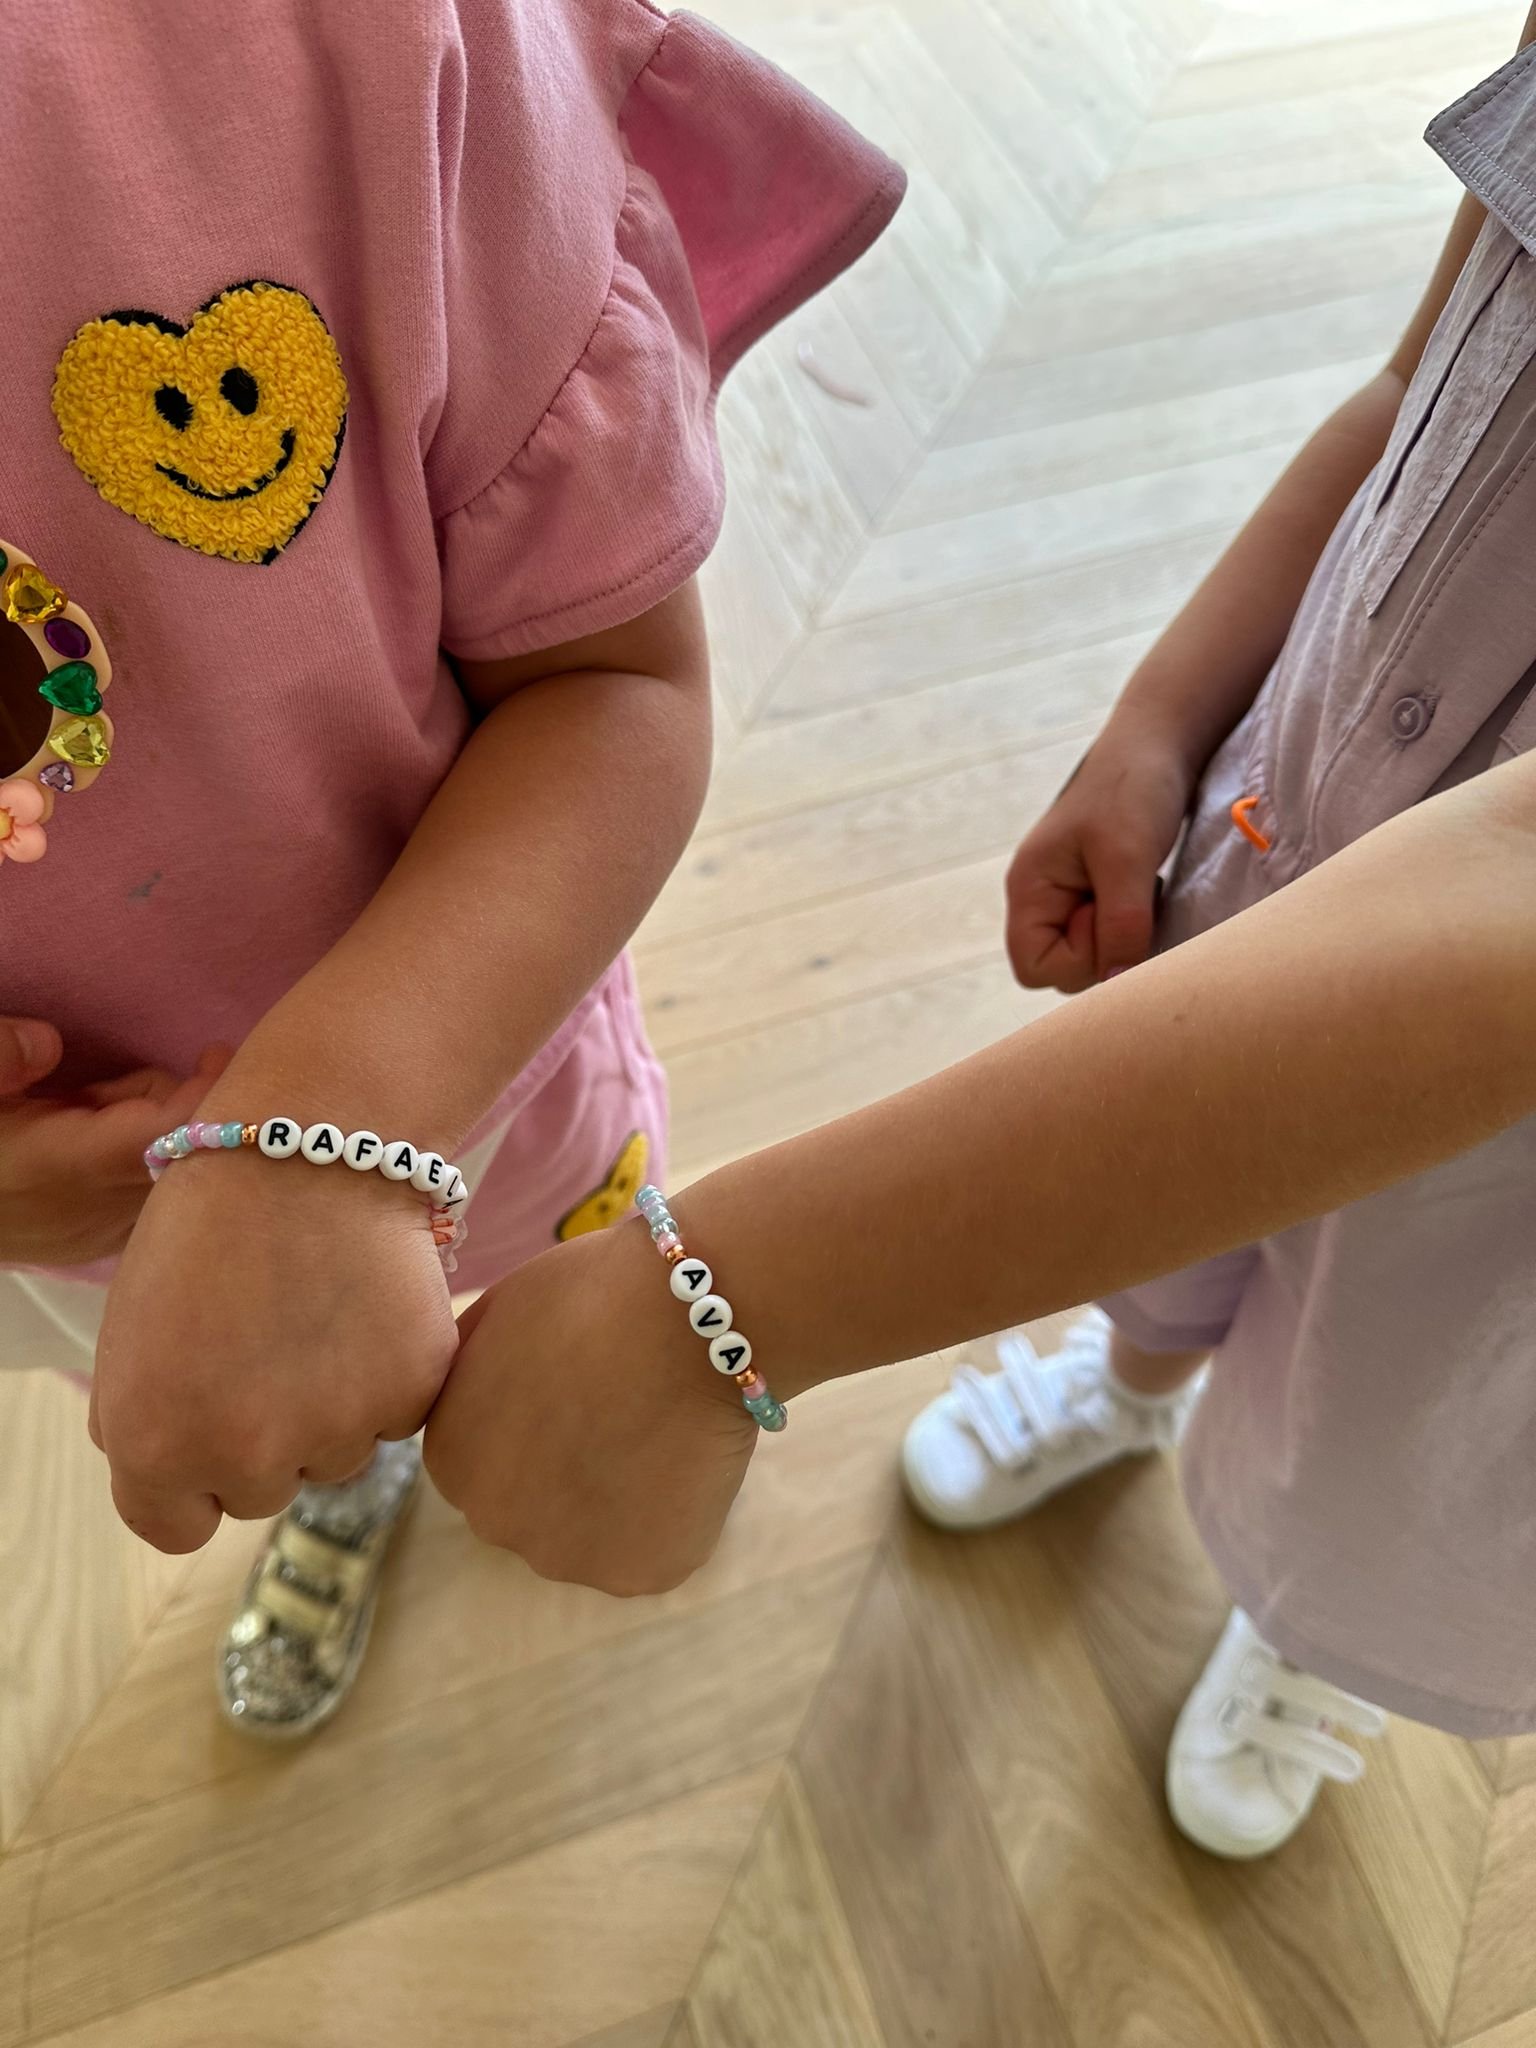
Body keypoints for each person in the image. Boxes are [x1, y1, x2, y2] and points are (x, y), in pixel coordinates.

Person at [421, 17, 1536, 1861]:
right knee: (1176, 1220)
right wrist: (1163, 721)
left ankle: (1304, 1633)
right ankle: (1131, 1386)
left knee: (1389, 1417)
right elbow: (1409, 394)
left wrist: (718, 1310)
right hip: (1281, 827)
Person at [0, 0, 903, 1739]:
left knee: (509, 1324)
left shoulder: (367, 47)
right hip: (56, 1240)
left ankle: (373, 1441)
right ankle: (343, 1453)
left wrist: (323, 1138)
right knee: (243, 1377)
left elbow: (615, 689)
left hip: (464, 1077)